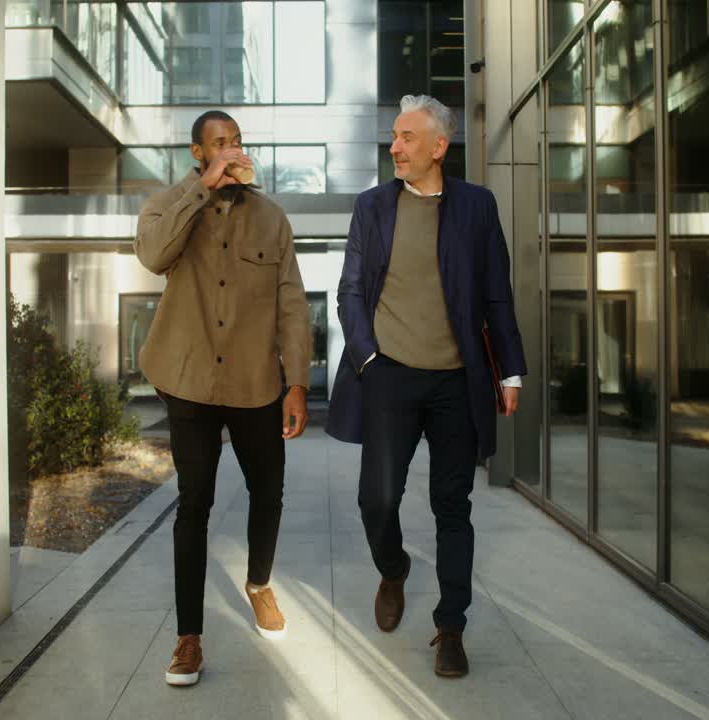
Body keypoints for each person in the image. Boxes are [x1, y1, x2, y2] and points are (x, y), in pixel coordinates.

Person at [326, 94, 527, 677]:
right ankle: (393, 570)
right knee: (376, 499)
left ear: (439, 147)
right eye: (394, 136)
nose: (395, 146)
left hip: (456, 383)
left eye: (407, 137)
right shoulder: (372, 207)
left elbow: (496, 294)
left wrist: (510, 369)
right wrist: (367, 359)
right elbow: (351, 290)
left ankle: (451, 626)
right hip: (389, 375)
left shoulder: (477, 206)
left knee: (452, 506)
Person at [134, 110, 312, 687]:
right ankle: (189, 638)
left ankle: (259, 584)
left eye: (235, 141)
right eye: (218, 144)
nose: (231, 151)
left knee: (269, 491)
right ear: (198, 153)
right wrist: (200, 190)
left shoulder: (272, 218)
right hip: (189, 380)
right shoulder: (167, 205)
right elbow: (153, 256)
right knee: (194, 502)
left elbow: (292, 304)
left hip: (255, 383)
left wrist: (297, 383)